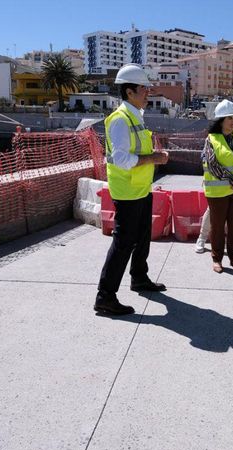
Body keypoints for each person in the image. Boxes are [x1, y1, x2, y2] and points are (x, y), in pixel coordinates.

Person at [94, 64, 169, 316]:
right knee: (123, 243)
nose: (148, 92)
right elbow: (123, 159)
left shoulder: (136, 115)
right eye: (144, 88)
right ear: (129, 91)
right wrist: (155, 158)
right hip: (127, 191)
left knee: (142, 237)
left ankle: (139, 278)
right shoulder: (119, 119)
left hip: (140, 189)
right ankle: (105, 296)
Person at [201, 100, 233, 273]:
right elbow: (212, 163)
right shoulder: (212, 139)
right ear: (220, 120)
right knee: (217, 226)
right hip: (218, 191)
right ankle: (217, 258)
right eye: (230, 118)